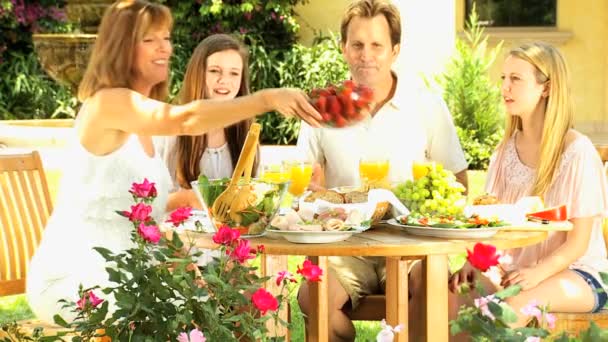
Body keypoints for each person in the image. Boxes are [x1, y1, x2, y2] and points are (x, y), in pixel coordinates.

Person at [26, 0, 320, 324]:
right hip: (81, 278)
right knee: (201, 311)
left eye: (166, 37)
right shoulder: (107, 103)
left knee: (239, 302)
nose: (164, 47)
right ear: (121, 47)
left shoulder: (145, 116)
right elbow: (187, 119)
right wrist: (265, 99)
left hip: (134, 272)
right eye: (149, 39)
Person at [296, 0, 468, 340]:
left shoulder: (426, 106)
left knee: (435, 290)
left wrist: (438, 208)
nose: (366, 55)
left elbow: (459, 184)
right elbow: (301, 184)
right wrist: (309, 195)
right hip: (345, 246)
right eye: (357, 45)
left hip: (411, 245)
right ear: (343, 48)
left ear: (395, 50)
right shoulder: (322, 108)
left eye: (377, 45)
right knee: (312, 297)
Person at [443, 42, 608, 340]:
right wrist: (473, 262)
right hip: (515, 270)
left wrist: (536, 274)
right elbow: (491, 223)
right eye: (503, 78)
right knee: (448, 301)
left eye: (516, 79)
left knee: (511, 306)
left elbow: (578, 243)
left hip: (579, 274)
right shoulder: (506, 151)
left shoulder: (577, 151)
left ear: (546, 88)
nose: (505, 87)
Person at [157, 34, 260, 211]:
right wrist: (187, 198)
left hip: (232, 235)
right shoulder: (171, 130)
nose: (224, 80)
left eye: (234, 73)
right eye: (214, 71)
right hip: (179, 235)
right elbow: (145, 203)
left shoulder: (246, 131)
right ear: (198, 74)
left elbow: (255, 194)